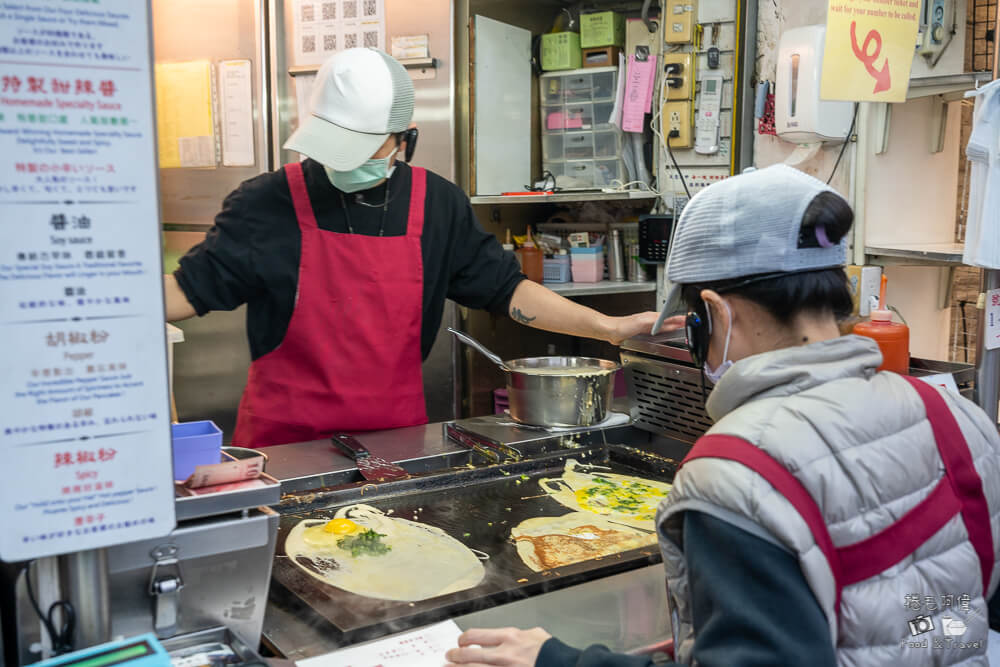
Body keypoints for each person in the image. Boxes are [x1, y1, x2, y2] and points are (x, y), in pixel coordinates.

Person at [446, 165, 1000, 667]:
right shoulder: (959, 421)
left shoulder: (735, 475)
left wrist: (559, 661)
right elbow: (958, 609)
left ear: (713, 313)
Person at [164, 48, 666, 448]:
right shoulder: (265, 203)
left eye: (363, 147)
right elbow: (187, 291)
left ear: (406, 139)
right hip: (286, 450)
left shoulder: (437, 204)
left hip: (397, 447)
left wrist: (608, 327)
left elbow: (508, 291)